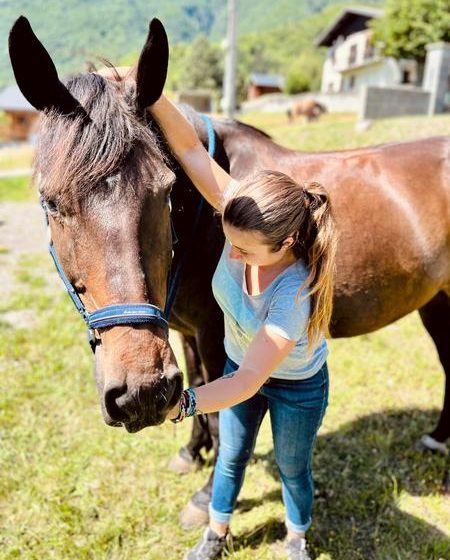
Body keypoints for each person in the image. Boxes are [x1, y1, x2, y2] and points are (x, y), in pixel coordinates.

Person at [99, 66, 336, 559]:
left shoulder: (293, 295)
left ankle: (296, 537)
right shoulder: (242, 215)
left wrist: (182, 403)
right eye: (229, 240)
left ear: (286, 243)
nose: (232, 252)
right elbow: (189, 149)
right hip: (235, 364)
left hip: (295, 385)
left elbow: (250, 380)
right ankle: (217, 533)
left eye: (244, 251)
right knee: (229, 457)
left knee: (293, 468)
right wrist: (148, 89)